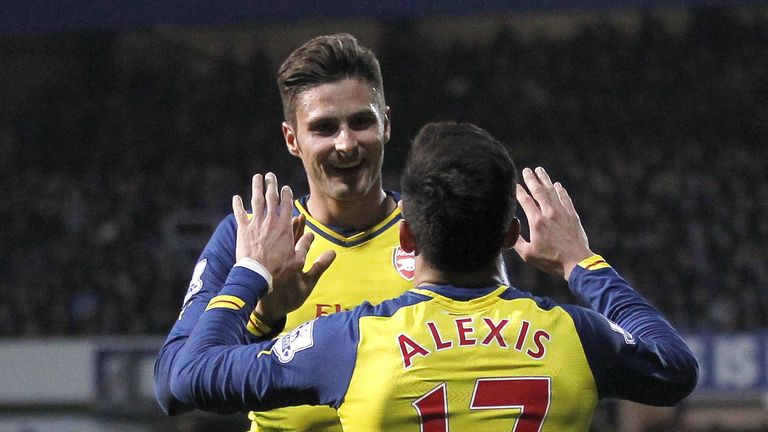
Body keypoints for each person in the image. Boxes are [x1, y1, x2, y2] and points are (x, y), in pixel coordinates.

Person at [168, 122, 699, 431]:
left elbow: (191, 375)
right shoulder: (577, 337)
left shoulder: (354, 341)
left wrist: (250, 274)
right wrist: (580, 263)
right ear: (511, 234)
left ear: (406, 238)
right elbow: (675, 368)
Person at [156, 33, 481, 431]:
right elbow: (173, 388)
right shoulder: (252, 239)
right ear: (292, 139)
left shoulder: (436, 226)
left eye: (361, 122)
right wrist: (264, 313)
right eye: (324, 128)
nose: (346, 144)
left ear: (388, 124)